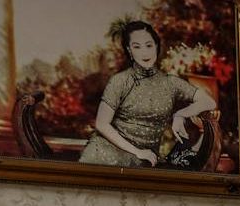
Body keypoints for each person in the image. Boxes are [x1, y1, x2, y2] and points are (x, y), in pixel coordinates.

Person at [77, 21, 216, 168]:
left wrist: (180, 114)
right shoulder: (120, 80)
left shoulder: (171, 83)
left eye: (149, 45)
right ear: (129, 50)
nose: (145, 53)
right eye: (137, 47)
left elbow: (209, 102)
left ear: (156, 46)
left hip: (143, 161)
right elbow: (101, 124)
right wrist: (137, 151)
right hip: (104, 157)